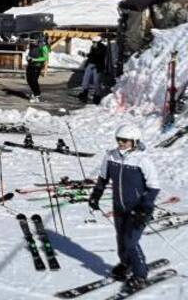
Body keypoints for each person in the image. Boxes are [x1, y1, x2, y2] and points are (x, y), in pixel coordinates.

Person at [88, 124, 160, 293]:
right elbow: (102, 178)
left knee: (130, 241)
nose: (121, 143)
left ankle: (140, 275)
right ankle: (126, 264)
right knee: (121, 238)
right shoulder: (110, 156)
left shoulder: (142, 160)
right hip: (119, 206)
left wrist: (145, 208)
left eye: (125, 140)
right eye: (118, 139)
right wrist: (95, 195)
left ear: (134, 141)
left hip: (139, 208)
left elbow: (154, 186)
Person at [79, 36, 107, 103]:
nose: (93, 43)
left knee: (96, 81)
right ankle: (84, 92)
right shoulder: (92, 47)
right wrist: (85, 54)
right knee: (85, 79)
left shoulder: (103, 48)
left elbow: (100, 56)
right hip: (91, 64)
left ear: (99, 42)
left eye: (95, 42)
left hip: (98, 66)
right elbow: (91, 55)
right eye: (93, 42)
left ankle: (97, 95)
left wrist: (96, 49)